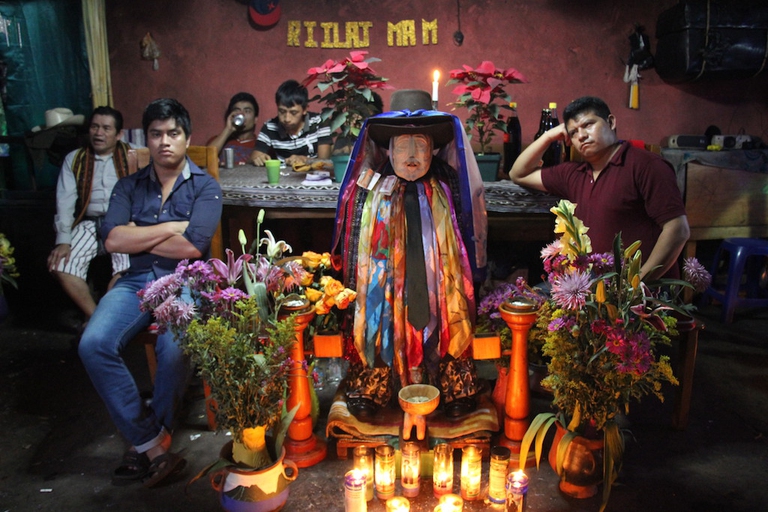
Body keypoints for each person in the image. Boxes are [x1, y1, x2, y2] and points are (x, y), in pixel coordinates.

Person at [78, 98, 222, 487]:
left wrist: (138, 238)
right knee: (93, 343)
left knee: (174, 348)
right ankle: (154, 444)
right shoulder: (129, 186)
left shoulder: (206, 187)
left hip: (184, 281)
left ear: (186, 137)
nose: (164, 142)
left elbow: (193, 248)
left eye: (172, 133)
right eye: (156, 134)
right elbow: (111, 239)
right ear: (147, 139)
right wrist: (174, 227)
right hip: (135, 282)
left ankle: (144, 444)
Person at [332, 110, 488, 417]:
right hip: (383, 283)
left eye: (421, 145)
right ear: (388, 149)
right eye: (403, 146)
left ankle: (453, 384)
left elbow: (468, 242)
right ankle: (372, 384)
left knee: (446, 305)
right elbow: (353, 252)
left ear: (433, 150)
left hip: (437, 281)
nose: (412, 155)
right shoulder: (369, 188)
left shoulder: (448, 186)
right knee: (375, 308)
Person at [510, 96, 689, 280]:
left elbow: (678, 230)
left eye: (588, 125)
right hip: (596, 291)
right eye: (572, 132)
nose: (581, 136)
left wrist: (635, 285)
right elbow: (518, 173)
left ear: (611, 122)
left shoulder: (646, 165)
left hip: (641, 296)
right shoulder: (574, 173)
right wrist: (549, 135)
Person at [47, 106, 131, 331]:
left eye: (106, 128)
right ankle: (96, 318)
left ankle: (99, 321)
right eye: (95, 127)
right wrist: (63, 240)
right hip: (89, 222)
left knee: (126, 271)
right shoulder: (74, 159)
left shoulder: (133, 155)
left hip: (124, 224)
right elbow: (64, 203)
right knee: (60, 265)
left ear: (119, 134)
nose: (99, 133)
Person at [250, 79, 332, 166]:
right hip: (282, 177)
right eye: (282, 111)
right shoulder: (270, 127)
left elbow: (325, 163)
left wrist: (305, 160)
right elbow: (254, 156)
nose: (287, 119)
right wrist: (258, 158)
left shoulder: (320, 122)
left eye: (293, 113)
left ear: (305, 109)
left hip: (313, 177)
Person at [207, 92, 259, 166]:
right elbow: (205, 160)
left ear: (255, 119)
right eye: (237, 110)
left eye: (247, 111)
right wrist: (228, 129)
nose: (242, 114)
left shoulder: (261, 146)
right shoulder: (218, 140)